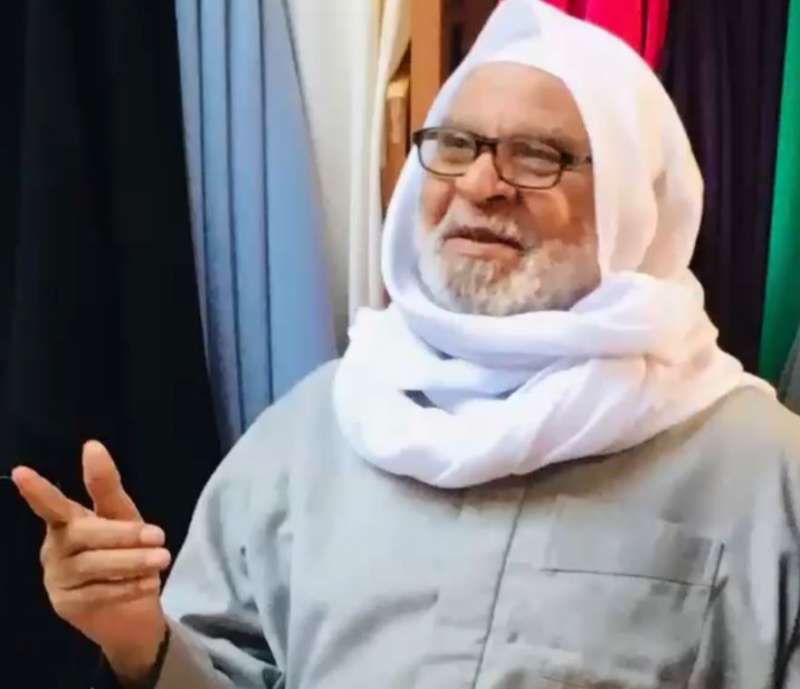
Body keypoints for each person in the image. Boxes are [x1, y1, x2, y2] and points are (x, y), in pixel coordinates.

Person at [12, 1, 800, 687]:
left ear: (633, 198)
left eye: (536, 156)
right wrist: (140, 643)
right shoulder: (315, 432)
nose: (481, 185)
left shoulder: (755, 466)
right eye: (457, 144)